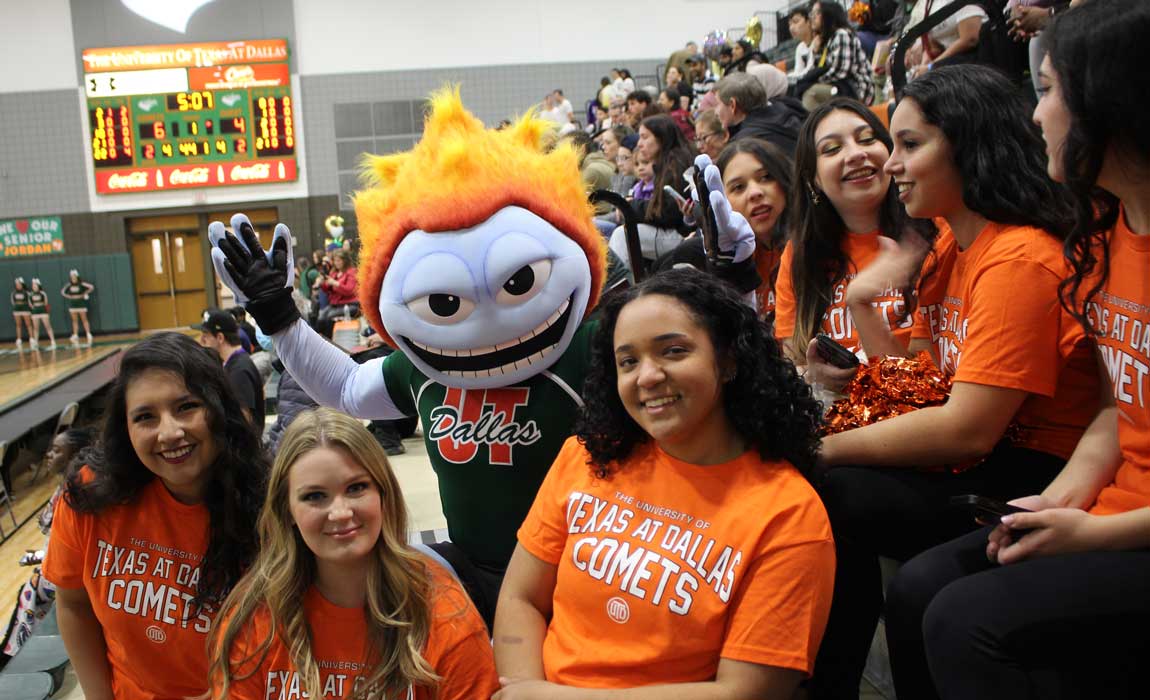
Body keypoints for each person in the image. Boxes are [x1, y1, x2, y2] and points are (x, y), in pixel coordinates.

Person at [883, 3, 1150, 698]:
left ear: (1110, 101)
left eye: (1052, 90)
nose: (1038, 117)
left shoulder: (1023, 255)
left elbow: (967, 423)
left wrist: (1091, 534)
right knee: (920, 587)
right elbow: (1123, 410)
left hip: (1119, 521)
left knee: (964, 620)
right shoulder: (1107, 230)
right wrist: (1062, 501)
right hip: (1103, 500)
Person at [809, 66, 1099, 699]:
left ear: (969, 142)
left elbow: (966, 430)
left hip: (1033, 470)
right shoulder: (947, 247)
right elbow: (918, 383)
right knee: (819, 491)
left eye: (910, 144)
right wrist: (861, 305)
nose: (891, 165)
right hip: (983, 461)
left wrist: (819, 446)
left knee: (825, 486)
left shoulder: (1018, 254)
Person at [493, 268, 834, 698]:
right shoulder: (585, 456)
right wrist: (522, 688)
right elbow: (521, 598)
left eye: (673, 351)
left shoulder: (789, 514)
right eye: (628, 361)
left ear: (728, 360)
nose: (647, 376)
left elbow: (747, 693)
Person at [209, 408, 498, 700]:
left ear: (383, 494)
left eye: (356, 488)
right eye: (315, 496)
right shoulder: (255, 614)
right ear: (288, 511)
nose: (341, 513)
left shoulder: (443, 613)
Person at [42, 332, 267, 700]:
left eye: (186, 407)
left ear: (219, 410)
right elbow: (72, 604)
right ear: (126, 429)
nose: (169, 432)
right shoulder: (89, 494)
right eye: (145, 416)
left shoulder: (267, 505)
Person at [773, 98, 935, 372]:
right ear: (814, 179)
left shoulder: (932, 234)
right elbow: (794, 364)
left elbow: (922, 383)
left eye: (867, 139)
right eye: (832, 148)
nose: (856, 154)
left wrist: (860, 302)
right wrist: (815, 378)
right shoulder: (799, 254)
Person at [656, 140, 793, 322]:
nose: (755, 192)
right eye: (738, 187)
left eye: (766, 177)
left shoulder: (810, 244)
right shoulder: (722, 256)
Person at [608, 114, 696, 266]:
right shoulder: (671, 160)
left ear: (661, 138)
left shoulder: (676, 163)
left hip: (684, 235)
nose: (640, 143)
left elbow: (667, 213)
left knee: (622, 235)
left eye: (644, 137)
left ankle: (618, 288)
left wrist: (630, 206)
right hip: (678, 233)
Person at [195, 309, 266, 433]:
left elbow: (244, 421)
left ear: (220, 337)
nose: (201, 341)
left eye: (206, 336)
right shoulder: (234, 363)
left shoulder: (239, 370)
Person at [796, 2, 875, 110]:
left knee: (810, 93)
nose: (812, 18)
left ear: (829, 14)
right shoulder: (825, 40)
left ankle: (815, 125)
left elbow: (840, 71)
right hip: (839, 87)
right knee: (807, 91)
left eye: (817, 13)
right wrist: (815, 52)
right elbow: (815, 70)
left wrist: (812, 83)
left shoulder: (841, 34)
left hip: (857, 90)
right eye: (812, 13)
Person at [714, 73, 806, 155]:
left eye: (717, 104)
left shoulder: (743, 146)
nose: (715, 112)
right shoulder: (786, 110)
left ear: (732, 105)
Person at [315, 248, 360, 338]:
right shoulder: (335, 272)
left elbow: (350, 290)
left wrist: (335, 283)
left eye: (339, 260)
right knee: (320, 318)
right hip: (336, 305)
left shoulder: (351, 271)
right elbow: (328, 289)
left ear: (345, 260)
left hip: (351, 304)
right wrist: (322, 283)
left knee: (329, 318)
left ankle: (330, 341)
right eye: (335, 260)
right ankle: (323, 340)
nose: (336, 263)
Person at [60, 269, 95, 346]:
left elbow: (91, 287)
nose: (73, 278)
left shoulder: (81, 284)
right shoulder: (69, 285)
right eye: (72, 277)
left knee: (84, 319)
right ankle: (75, 334)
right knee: (74, 320)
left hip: (81, 304)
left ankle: (88, 333)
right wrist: (68, 296)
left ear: (77, 277)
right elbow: (62, 292)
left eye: (74, 276)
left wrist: (85, 293)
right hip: (73, 305)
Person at [27, 278, 56, 351]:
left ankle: (52, 340)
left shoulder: (43, 293)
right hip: (35, 312)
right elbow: (30, 304)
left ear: (38, 286)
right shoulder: (30, 294)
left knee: (47, 326)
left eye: (35, 285)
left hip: (43, 311)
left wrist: (44, 309)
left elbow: (46, 303)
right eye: (33, 285)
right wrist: (34, 308)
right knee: (36, 328)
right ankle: (36, 342)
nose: (34, 287)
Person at [788, 7, 816, 81]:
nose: (791, 28)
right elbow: (798, 71)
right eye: (790, 24)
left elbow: (811, 69)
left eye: (796, 22)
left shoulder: (818, 41)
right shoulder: (800, 48)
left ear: (808, 22)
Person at [10, 277, 34, 351]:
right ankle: (19, 339)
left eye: (19, 284)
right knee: (18, 324)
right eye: (16, 284)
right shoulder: (13, 293)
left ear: (22, 284)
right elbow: (13, 302)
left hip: (25, 309)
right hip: (17, 310)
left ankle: (31, 338)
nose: (18, 285)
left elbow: (30, 301)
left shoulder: (26, 292)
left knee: (28, 324)